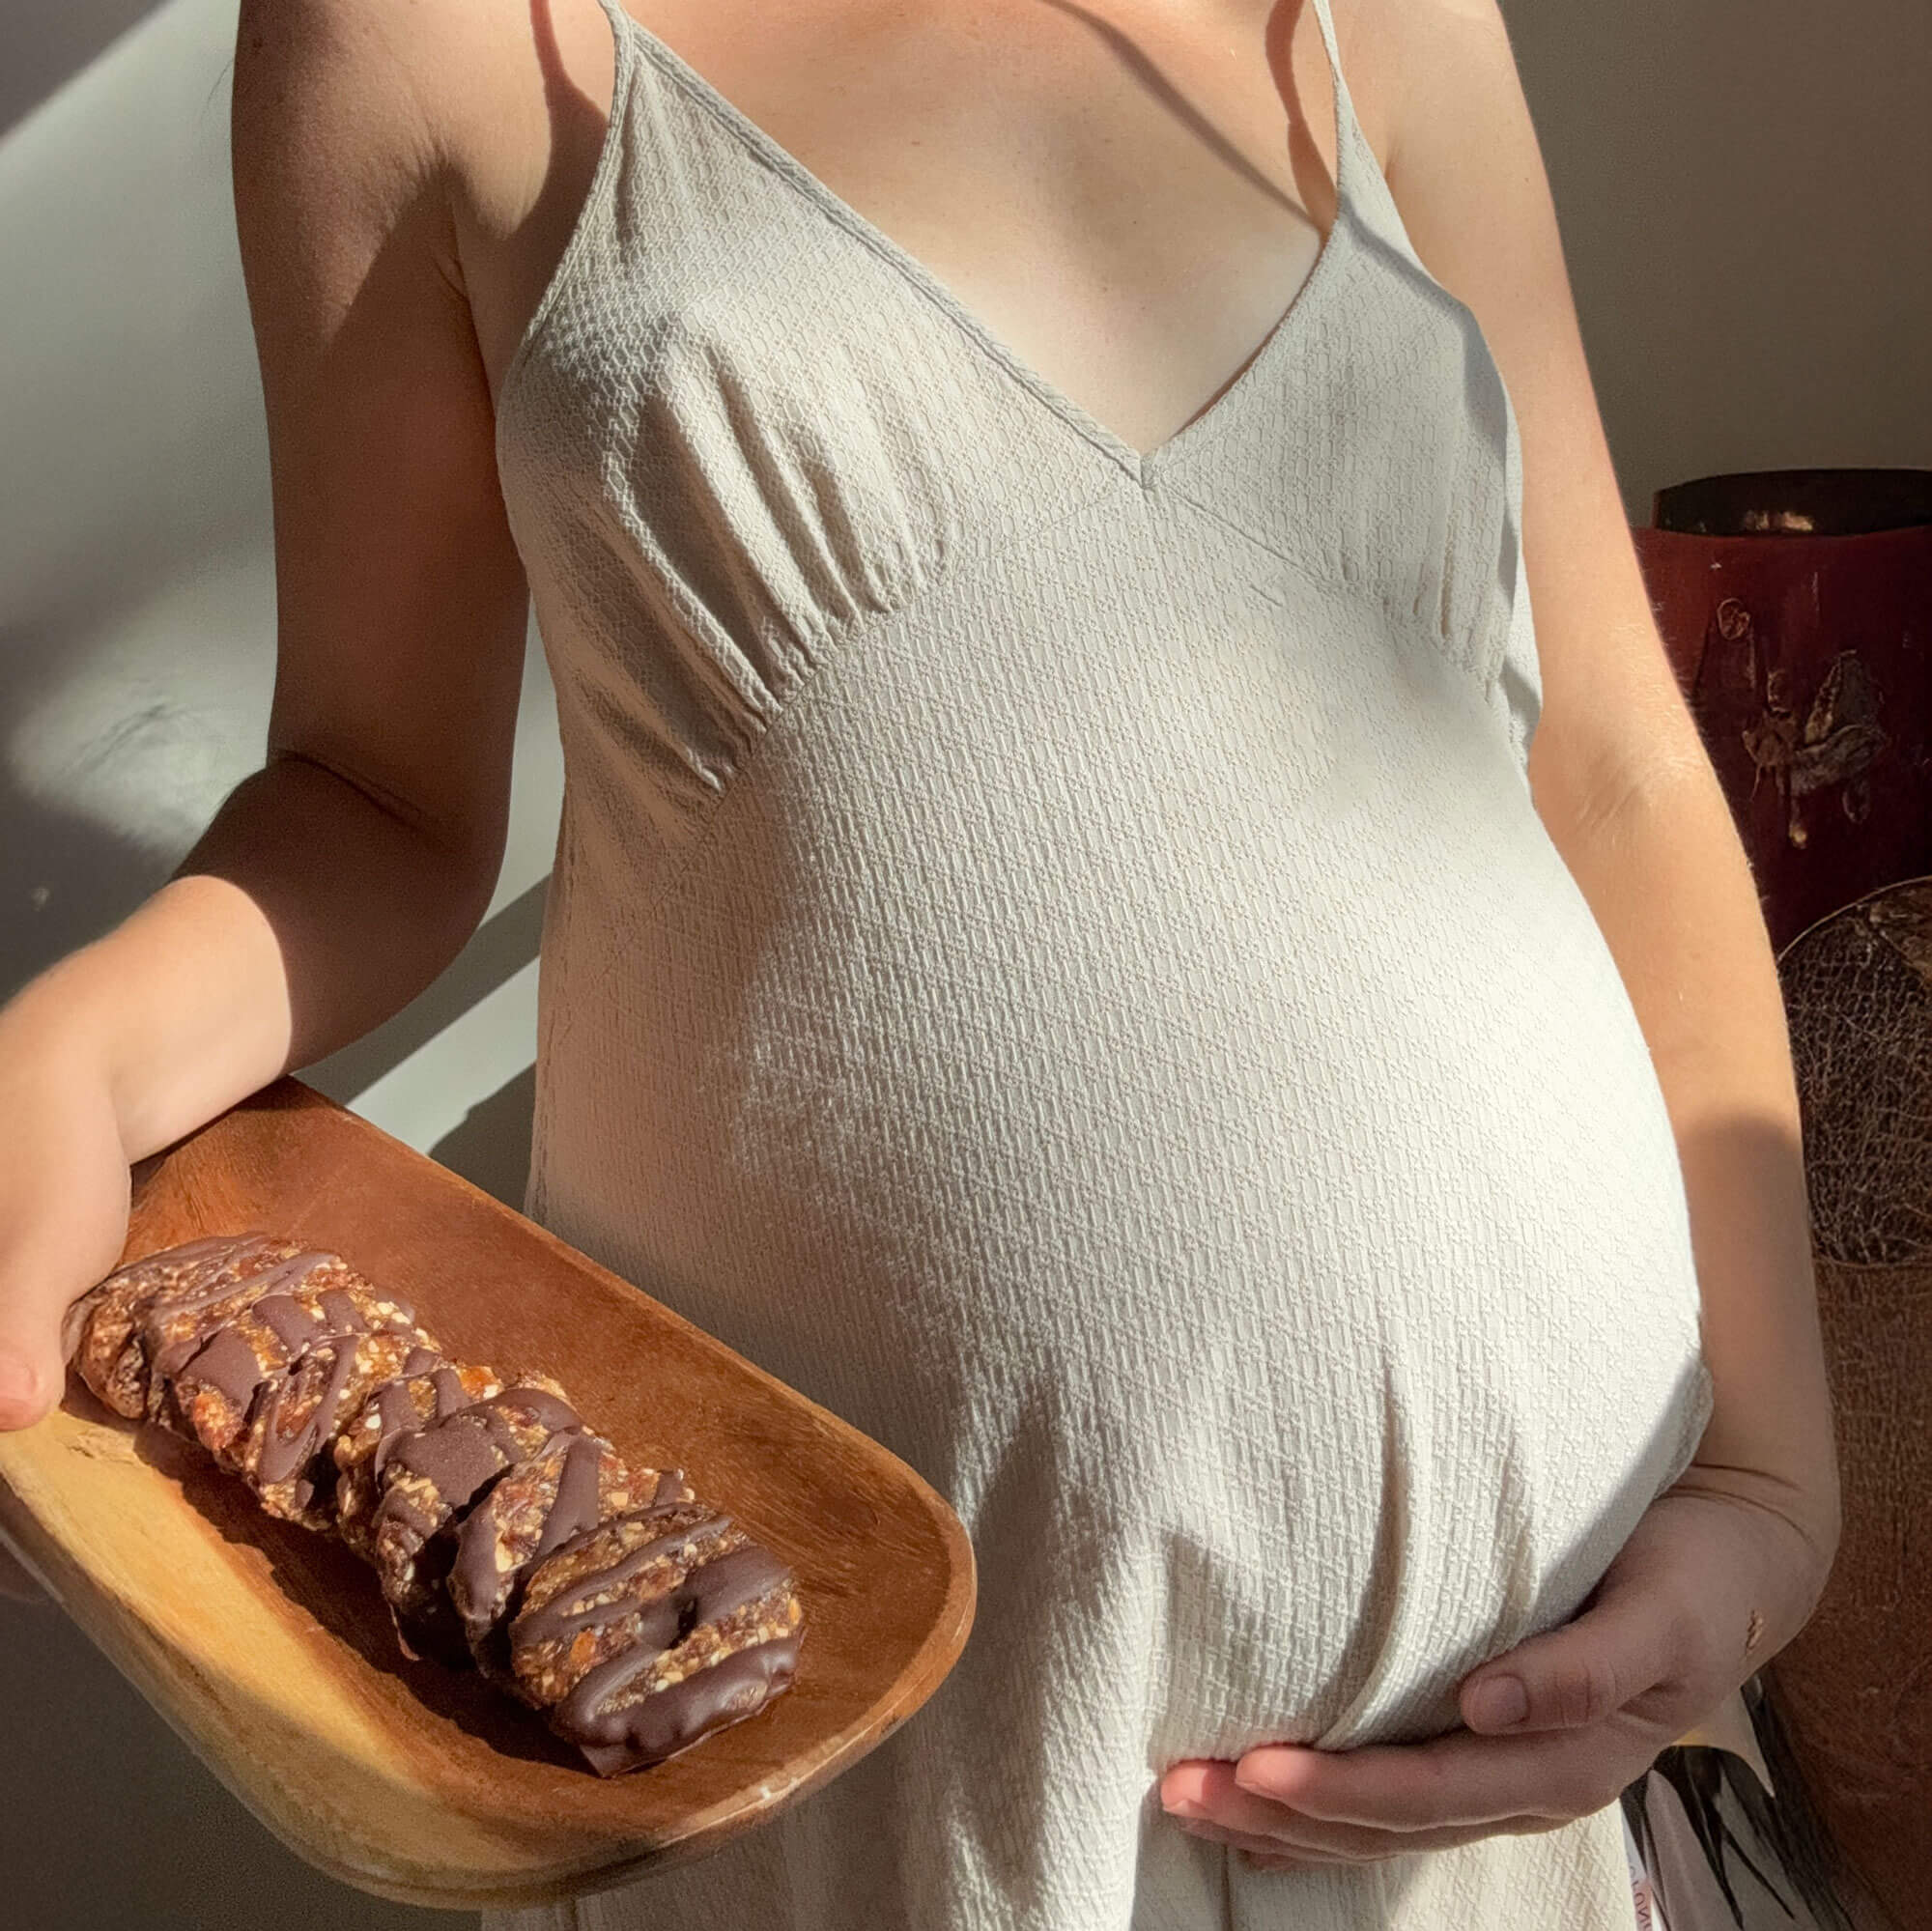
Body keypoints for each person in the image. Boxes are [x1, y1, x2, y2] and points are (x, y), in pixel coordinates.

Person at [0, 0, 1845, 1926]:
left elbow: (1612, 761)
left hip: (1495, 1820)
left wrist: (1768, 1498)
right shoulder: (420, 39)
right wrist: (68, 1057)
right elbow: (373, 801)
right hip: (904, 1813)